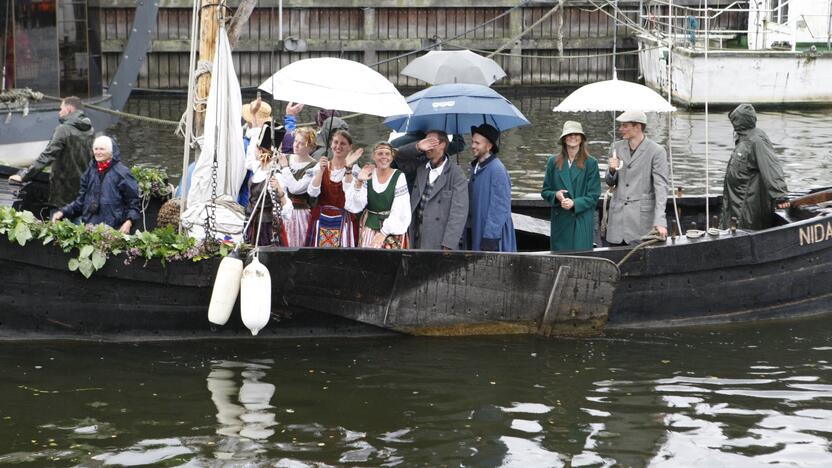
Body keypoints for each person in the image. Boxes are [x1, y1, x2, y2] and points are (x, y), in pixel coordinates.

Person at [10, 96, 94, 211]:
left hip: (63, 193)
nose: (59, 112)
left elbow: (47, 156)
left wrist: (23, 175)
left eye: (61, 109)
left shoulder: (63, 130)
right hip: (82, 192)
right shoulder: (90, 130)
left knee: (58, 223)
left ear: (69, 110)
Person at [719, 103, 790, 230]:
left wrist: (780, 195)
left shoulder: (756, 140)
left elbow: (771, 167)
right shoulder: (743, 139)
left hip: (747, 209)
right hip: (735, 204)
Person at [394, 130, 468, 250]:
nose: (427, 146)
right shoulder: (420, 168)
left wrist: (449, 244)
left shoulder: (456, 173)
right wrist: (417, 146)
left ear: (443, 145)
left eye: (431, 142)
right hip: (416, 236)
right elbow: (398, 156)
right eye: (425, 142)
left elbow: (459, 212)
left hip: (439, 241)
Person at [52, 136, 140, 234]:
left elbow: (134, 203)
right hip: (89, 228)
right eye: (96, 149)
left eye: (102, 149)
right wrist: (63, 212)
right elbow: (81, 202)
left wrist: (129, 222)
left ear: (111, 152)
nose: (98, 152)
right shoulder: (90, 171)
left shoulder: (122, 173)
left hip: (113, 230)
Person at [605, 111, 669, 245]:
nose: (620, 129)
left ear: (637, 127)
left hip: (641, 222)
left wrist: (660, 222)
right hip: (617, 221)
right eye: (621, 125)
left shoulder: (657, 151)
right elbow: (610, 182)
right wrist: (611, 170)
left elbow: (661, 188)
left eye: (625, 126)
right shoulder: (615, 147)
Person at [541, 121, 601, 251]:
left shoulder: (591, 163)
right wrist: (556, 195)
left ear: (582, 138)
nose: (573, 137)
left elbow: (594, 195)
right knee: (560, 258)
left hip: (581, 220)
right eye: (569, 134)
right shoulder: (553, 161)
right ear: (563, 138)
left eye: (576, 134)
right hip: (560, 222)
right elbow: (545, 191)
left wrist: (574, 203)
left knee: (581, 261)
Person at [345, 142, 411, 249]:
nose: (384, 157)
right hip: (370, 227)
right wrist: (359, 181)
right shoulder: (368, 174)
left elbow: (400, 208)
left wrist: (384, 232)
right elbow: (355, 205)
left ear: (392, 156)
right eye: (380, 153)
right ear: (373, 156)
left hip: (392, 229)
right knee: (369, 261)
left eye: (387, 154)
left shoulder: (399, 176)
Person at [306, 129, 363, 247]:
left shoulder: (355, 170)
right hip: (321, 218)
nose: (338, 146)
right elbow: (312, 193)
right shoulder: (321, 165)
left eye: (343, 143)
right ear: (331, 144)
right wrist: (320, 171)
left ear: (349, 147)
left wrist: (348, 168)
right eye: (336, 142)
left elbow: (350, 195)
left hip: (343, 220)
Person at [465, 123, 516, 252]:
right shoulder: (476, 167)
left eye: (477, 143)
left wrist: (490, 237)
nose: (473, 146)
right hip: (476, 227)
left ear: (489, 146)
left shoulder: (497, 169)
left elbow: (500, 207)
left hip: (492, 236)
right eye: (472, 142)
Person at [245, 123, 293, 246]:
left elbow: (287, 213)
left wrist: (280, 192)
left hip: (265, 229)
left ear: (261, 151)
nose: (253, 150)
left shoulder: (275, 176)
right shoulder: (258, 169)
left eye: (256, 147)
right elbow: (248, 162)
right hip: (252, 223)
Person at [274, 126, 318, 246]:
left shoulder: (313, 166)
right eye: (295, 141)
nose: (296, 145)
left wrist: (285, 168)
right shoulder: (286, 158)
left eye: (302, 143)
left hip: (299, 212)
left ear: (310, 147)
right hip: (280, 209)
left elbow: (295, 188)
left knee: (296, 243)